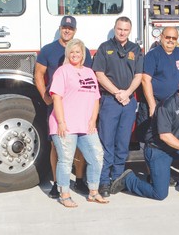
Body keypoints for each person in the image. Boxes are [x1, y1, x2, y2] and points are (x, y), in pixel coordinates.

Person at [110, 74, 179, 200]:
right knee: (160, 194)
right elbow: (165, 136)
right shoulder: (167, 104)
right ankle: (128, 180)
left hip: (177, 146)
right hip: (158, 149)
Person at [34, 15, 94, 198]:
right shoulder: (48, 50)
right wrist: (46, 97)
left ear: (75, 30)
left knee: (79, 145)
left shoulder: (82, 50)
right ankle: (57, 183)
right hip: (57, 105)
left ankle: (80, 180)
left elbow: (88, 76)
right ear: (60, 28)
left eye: (70, 28)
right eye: (64, 27)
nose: (67, 30)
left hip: (78, 106)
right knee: (56, 146)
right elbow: (38, 74)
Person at [49, 39, 107, 207]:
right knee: (66, 159)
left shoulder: (89, 72)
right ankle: (64, 194)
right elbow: (56, 97)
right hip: (65, 124)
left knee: (97, 157)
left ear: (83, 55)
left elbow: (96, 98)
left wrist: (92, 120)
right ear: (68, 54)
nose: (75, 55)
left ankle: (93, 192)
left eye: (78, 52)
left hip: (85, 125)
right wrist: (61, 121)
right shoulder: (62, 71)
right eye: (72, 52)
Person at [94, 16, 144, 197]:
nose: (122, 32)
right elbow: (99, 73)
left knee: (122, 143)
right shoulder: (104, 48)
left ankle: (117, 179)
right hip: (110, 101)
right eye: (119, 29)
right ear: (115, 29)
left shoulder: (135, 49)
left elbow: (139, 75)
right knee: (107, 143)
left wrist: (128, 93)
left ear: (130, 31)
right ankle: (103, 182)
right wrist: (117, 92)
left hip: (128, 102)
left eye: (125, 30)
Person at [139, 26, 179, 139]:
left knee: (175, 137)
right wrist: (152, 105)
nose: (170, 40)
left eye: (174, 38)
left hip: (176, 104)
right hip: (157, 103)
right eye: (168, 37)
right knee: (152, 138)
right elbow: (145, 80)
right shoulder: (152, 55)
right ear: (161, 37)